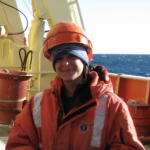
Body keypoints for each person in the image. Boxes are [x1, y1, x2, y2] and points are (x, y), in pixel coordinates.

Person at [6, 21, 145, 150]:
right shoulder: (37, 103)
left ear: (84, 60)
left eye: (71, 56)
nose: (65, 63)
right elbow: (19, 144)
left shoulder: (113, 106)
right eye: (59, 58)